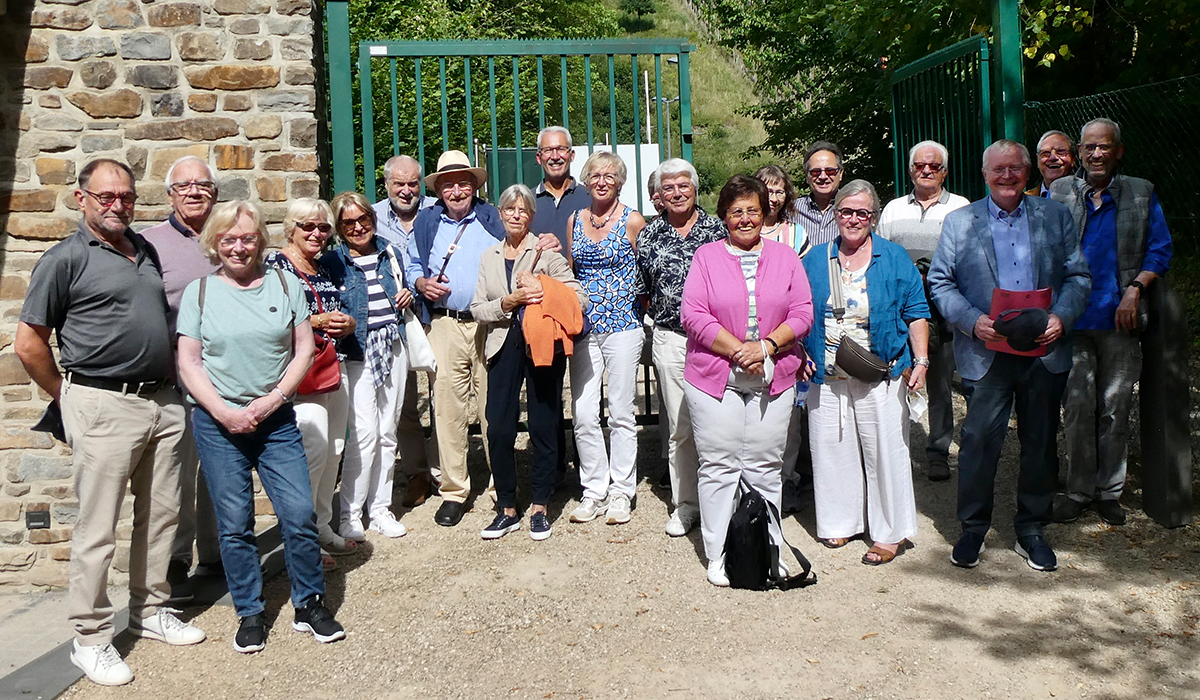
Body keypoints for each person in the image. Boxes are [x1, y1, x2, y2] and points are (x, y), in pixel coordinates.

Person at [15, 158, 205, 687]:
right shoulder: (65, 259)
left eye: (126, 196)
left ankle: (150, 611)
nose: (118, 204)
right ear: (82, 200)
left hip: (163, 402)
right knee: (97, 529)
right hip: (101, 404)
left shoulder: (142, 250)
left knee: (163, 516)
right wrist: (68, 398)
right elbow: (29, 344)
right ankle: (91, 638)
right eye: (106, 197)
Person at [177, 200, 345, 654]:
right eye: (229, 238)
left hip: (276, 422)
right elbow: (188, 361)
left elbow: (304, 350)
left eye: (247, 237)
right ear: (214, 242)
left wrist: (273, 400)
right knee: (235, 524)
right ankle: (250, 611)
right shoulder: (200, 293)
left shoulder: (284, 283)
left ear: (260, 240)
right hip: (217, 424)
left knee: (299, 514)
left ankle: (309, 603)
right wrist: (224, 412)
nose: (238, 246)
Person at [929, 139, 1091, 572]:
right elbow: (941, 283)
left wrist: (1061, 317)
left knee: (1039, 443)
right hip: (986, 349)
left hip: (1043, 349)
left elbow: (1078, 275)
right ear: (984, 174)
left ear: (1027, 172)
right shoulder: (960, 222)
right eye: (998, 169)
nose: (1007, 176)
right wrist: (970, 320)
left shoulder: (1054, 216)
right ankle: (973, 529)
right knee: (979, 442)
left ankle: (1031, 529)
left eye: (1015, 168)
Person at [681, 175, 814, 586]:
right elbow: (694, 316)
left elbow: (803, 313)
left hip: (774, 375)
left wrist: (767, 347)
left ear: (765, 212)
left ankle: (767, 546)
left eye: (753, 210)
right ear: (723, 216)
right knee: (719, 465)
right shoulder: (705, 256)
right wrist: (741, 349)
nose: (745, 218)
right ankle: (718, 553)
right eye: (736, 211)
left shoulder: (786, 257)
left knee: (764, 466)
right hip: (714, 376)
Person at [1049, 118, 1173, 526]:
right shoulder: (1061, 191)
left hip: (1120, 320)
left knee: (1116, 407)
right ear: (1079, 153)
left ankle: (1110, 492)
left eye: (1104, 147)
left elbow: (1160, 250)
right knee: (1079, 406)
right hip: (1073, 320)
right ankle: (1079, 490)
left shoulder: (1141, 192)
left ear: (1118, 150)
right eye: (1088, 147)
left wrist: (1135, 289)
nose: (1096, 154)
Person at [801, 179, 930, 566]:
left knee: (886, 452)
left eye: (862, 213)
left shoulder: (893, 257)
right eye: (845, 211)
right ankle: (841, 521)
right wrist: (800, 354)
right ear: (835, 215)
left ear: (873, 217)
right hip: (825, 372)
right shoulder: (814, 259)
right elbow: (798, 310)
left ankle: (889, 532)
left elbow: (917, 312)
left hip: (882, 370)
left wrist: (920, 361)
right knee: (830, 448)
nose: (853, 219)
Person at [470, 184, 587, 540]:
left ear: (532, 216)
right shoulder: (489, 256)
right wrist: (506, 303)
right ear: (501, 214)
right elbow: (477, 309)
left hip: (542, 344)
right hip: (502, 344)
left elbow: (576, 296)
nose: (516, 215)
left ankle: (540, 504)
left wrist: (542, 289)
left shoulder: (546, 252)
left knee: (543, 423)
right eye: (510, 209)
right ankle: (507, 506)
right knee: (499, 426)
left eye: (523, 210)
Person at [407, 151, 504, 527]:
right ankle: (454, 491)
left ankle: (501, 486)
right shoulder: (427, 220)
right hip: (445, 324)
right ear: (439, 190)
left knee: (491, 404)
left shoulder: (491, 216)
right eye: (449, 184)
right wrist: (419, 282)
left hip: (488, 323)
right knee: (446, 405)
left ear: (475, 186)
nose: (457, 190)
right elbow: (414, 261)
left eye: (464, 182)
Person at [139, 155, 222, 595]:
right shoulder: (147, 244)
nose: (194, 192)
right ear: (170, 194)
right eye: (185, 185)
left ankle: (216, 554)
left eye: (203, 185)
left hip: (230, 378)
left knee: (219, 471)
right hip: (175, 381)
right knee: (174, 473)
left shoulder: (230, 236)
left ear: (215, 193)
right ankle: (175, 560)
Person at [634, 158, 730, 537]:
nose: (676, 193)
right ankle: (686, 504)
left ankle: (723, 499)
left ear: (695, 188)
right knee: (679, 425)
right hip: (671, 338)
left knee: (720, 422)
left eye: (683, 185)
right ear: (659, 194)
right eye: (668, 187)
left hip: (718, 340)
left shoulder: (718, 230)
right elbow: (642, 290)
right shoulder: (650, 235)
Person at [265, 199, 356, 568]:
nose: (317, 234)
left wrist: (346, 324)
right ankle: (299, 539)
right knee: (311, 452)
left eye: (324, 228)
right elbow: (269, 321)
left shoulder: (320, 267)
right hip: (300, 373)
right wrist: (316, 323)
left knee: (334, 448)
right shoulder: (276, 266)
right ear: (291, 228)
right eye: (309, 227)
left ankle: (320, 526)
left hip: (333, 364)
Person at [324, 191, 416, 541]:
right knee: (363, 434)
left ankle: (380, 509)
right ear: (339, 227)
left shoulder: (389, 252)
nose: (358, 227)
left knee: (388, 432)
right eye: (349, 222)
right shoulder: (333, 262)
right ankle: (349, 514)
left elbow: (404, 293)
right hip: (356, 351)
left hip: (392, 346)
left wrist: (409, 295)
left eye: (364, 219)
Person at [876, 140, 970, 482]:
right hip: (899, 309)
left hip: (945, 309)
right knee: (896, 379)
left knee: (941, 383)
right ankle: (894, 449)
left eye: (933, 166)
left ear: (944, 170)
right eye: (919, 166)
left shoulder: (961, 208)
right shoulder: (892, 209)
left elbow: (971, 259)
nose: (926, 171)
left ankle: (938, 451)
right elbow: (881, 256)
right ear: (910, 169)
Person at [564, 151, 646, 525]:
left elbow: (646, 271)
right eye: (595, 174)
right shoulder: (574, 220)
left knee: (621, 412)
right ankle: (594, 487)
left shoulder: (632, 221)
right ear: (585, 179)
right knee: (583, 413)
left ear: (620, 182)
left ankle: (621, 491)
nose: (601, 181)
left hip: (623, 326)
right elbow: (571, 270)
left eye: (609, 176)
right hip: (584, 328)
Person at [372, 154, 439, 508]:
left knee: (444, 398)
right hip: (392, 322)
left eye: (413, 183)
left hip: (436, 315)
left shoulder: (437, 210)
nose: (407, 190)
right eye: (399, 184)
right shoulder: (372, 217)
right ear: (387, 185)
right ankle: (417, 473)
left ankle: (446, 472)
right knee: (404, 403)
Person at [531, 126, 592, 251]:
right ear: (538, 157)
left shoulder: (590, 198)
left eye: (561, 149)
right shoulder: (527, 202)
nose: (555, 156)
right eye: (548, 150)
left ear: (571, 155)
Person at [793, 141, 845, 247]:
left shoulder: (853, 211)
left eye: (830, 171)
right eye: (816, 171)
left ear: (840, 174)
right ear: (806, 175)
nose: (823, 176)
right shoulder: (791, 210)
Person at [753, 164, 810, 256]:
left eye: (780, 192)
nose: (774, 199)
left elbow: (803, 268)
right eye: (769, 192)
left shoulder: (797, 233)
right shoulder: (744, 229)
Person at [1027, 130, 1077, 197]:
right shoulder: (1026, 199)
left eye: (1061, 152)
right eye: (1045, 153)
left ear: (1073, 159)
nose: (1053, 158)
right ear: (1038, 160)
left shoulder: (1086, 196)